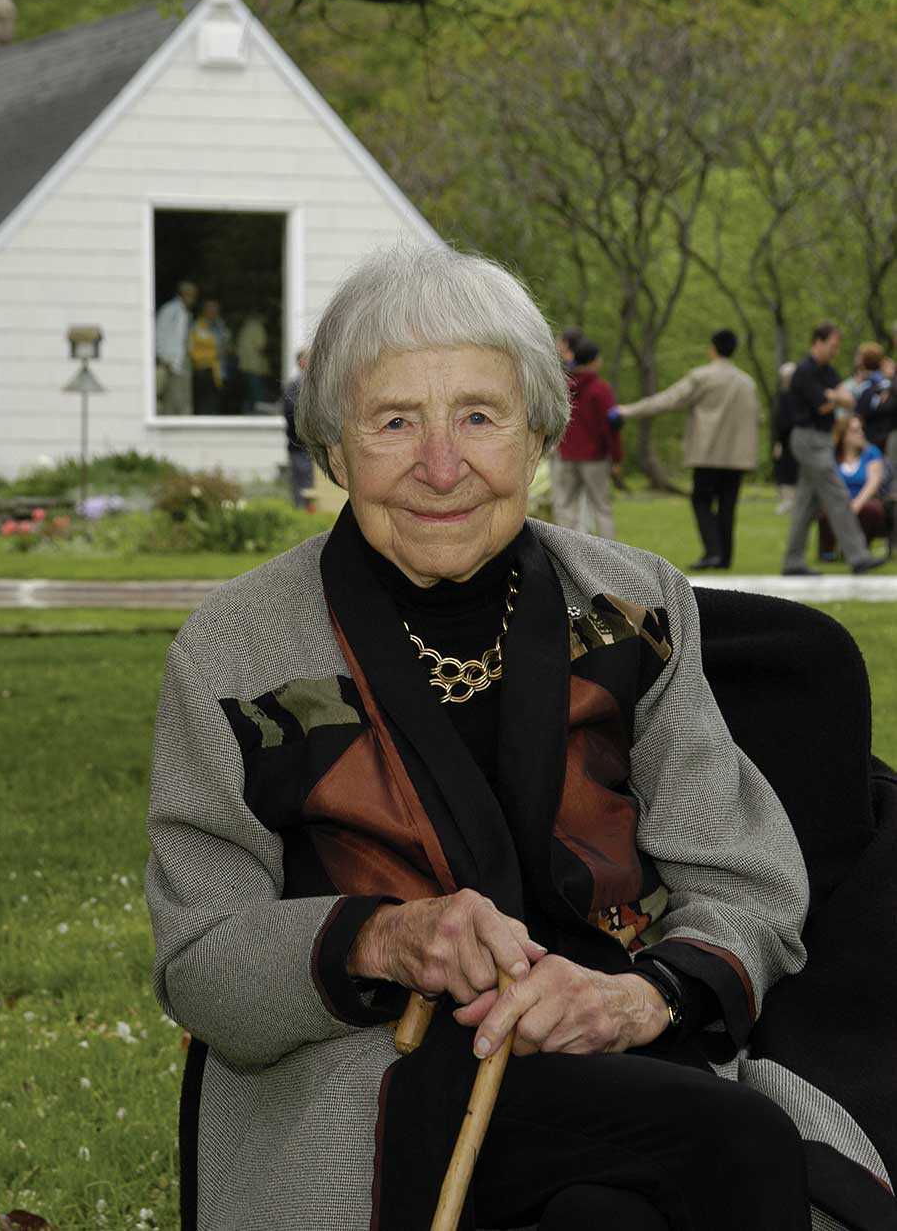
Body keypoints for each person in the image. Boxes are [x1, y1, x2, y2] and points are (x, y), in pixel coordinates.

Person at [146, 245, 869, 1231]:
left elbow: (744, 882)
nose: (441, 466)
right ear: (333, 448)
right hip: (368, 1084)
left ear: (537, 437)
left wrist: (644, 998)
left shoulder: (631, 608)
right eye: (395, 421)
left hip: (613, 1043)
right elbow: (200, 956)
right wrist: (385, 936)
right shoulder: (235, 650)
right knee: (734, 1143)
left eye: (478, 419)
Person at [615, 329, 758, 570]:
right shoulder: (747, 382)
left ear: (712, 348)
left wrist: (627, 411)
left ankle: (713, 552)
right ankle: (724, 557)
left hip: (707, 454)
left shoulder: (702, 377)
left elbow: (668, 400)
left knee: (701, 501)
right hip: (737, 457)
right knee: (727, 506)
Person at [781, 322, 886, 577]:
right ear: (818, 342)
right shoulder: (804, 372)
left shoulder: (826, 370)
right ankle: (859, 557)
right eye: (832, 346)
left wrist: (834, 397)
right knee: (837, 494)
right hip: (808, 439)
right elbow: (824, 406)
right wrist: (835, 398)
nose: (835, 351)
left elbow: (848, 400)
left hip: (822, 439)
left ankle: (793, 562)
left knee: (806, 502)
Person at [550, 338, 622, 538]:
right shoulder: (600, 389)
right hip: (594, 458)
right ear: (593, 361)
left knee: (565, 507)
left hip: (567, 454)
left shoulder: (563, 386)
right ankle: (610, 555)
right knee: (602, 508)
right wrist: (616, 457)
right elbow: (610, 426)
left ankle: (566, 554)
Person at [818, 414, 891, 560]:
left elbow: (873, 482)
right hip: (837, 501)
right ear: (843, 434)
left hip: (863, 501)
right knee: (825, 508)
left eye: (861, 429)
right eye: (855, 430)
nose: (861, 433)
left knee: (871, 510)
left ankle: (858, 549)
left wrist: (856, 503)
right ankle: (828, 550)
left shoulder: (871, 453)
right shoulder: (832, 455)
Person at [155, 280, 197, 416]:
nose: (193, 299)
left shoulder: (184, 312)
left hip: (183, 358)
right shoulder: (170, 310)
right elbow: (159, 333)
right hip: (171, 359)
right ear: (184, 294)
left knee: (182, 396)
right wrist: (163, 357)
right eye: (191, 295)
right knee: (174, 397)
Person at [282, 347, 315, 509]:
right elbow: (294, 416)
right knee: (302, 487)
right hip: (300, 446)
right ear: (302, 362)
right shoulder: (295, 387)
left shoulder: (316, 384)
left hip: (313, 447)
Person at [188, 297, 232, 417]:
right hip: (204, 370)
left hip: (219, 372)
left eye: (215, 309)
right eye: (210, 309)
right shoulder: (197, 326)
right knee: (204, 406)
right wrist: (215, 353)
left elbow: (226, 344)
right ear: (204, 310)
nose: (213, 312)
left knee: (217, 405)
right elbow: (192, 350)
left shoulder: (220, 324)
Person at [772, 361, 798, 514]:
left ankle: (794, 501)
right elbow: (778, 422)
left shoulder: (796, 395)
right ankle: (788, 500)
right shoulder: (782, 395)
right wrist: (778, 442)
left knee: (793, 470)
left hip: (795, 439)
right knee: (784, 469)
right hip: (785, 440)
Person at [237, 311, 270, 414]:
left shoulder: (244, 327)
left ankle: (245, 419)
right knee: (257, 400)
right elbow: (260, 346)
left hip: (243, 366)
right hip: (254, 367)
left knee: (247, 397)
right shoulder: (258, 327)